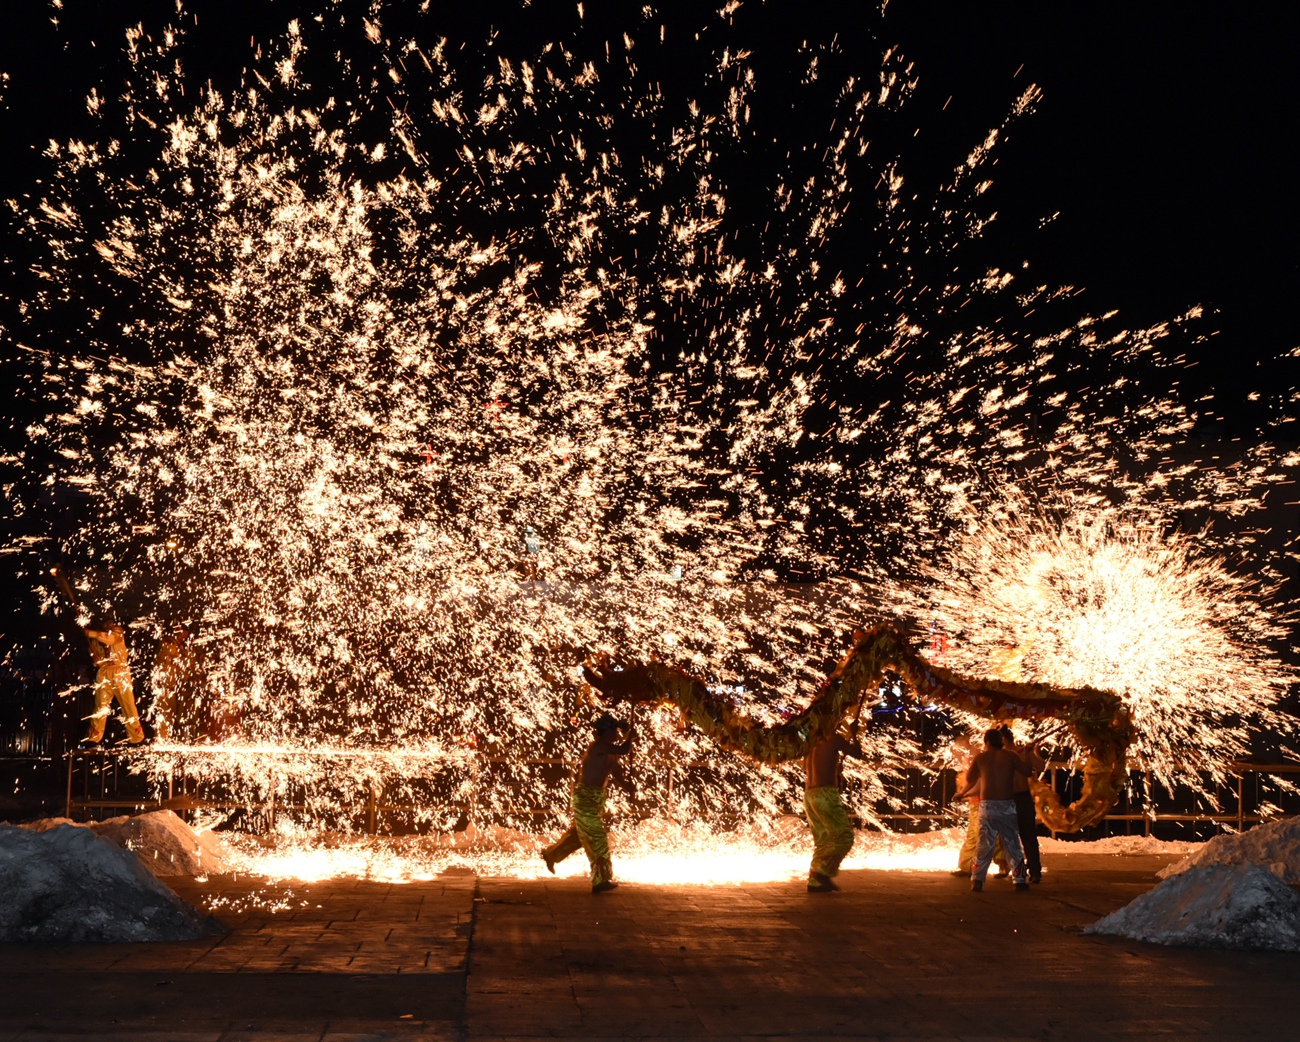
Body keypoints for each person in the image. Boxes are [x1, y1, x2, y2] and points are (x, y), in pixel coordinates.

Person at [541, 713, 634, 893]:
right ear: (604, 732)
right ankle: (600, 880)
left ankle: (551, 854)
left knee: (578, 836)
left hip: (596, 799)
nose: (617, 733)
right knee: (597, 838)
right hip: (585, 799)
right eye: (614, 730)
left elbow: (616, 773)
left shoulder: (609, 752)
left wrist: (628, 786)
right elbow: (624, 749)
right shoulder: (597, 747)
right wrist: (630, 737)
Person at [955, 727, 1035, 892]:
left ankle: (977, 880)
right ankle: (1019, 880)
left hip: (987, 806)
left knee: (984, 844)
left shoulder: (981, 758)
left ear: (987, 742)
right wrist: (1026, 753)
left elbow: (970, 779)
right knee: (1012, 843)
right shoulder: (1012, 756)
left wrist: (961, 793)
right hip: (1006, 805)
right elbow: (1027, 771)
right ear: (1002, 741)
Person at [804, 720, 869, 893]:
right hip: (825, 795)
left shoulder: (811, 741)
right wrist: (854, 733)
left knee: (824, 839)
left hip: (810, 795)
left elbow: (811, 767)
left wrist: (833, 769)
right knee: (843, 837)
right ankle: (822, 873)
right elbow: (858, 753)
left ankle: (815, 881)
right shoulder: (833, 738)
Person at [948, 733, 1010, 879]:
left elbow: (978, 784)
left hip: (987, 802)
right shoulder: (973, 760)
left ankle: (1002, 866)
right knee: (977, 835)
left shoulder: (980, 759)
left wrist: (964, 794)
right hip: (978, 803)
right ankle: (968, 867)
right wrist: (964, 794)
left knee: (991, 835)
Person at [82, 617, 145, 745]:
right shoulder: (95, 640)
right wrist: (96, 658)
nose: (109, 624)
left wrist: (89, 633)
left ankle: (136, 737)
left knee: (127, 704)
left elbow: (109, 639)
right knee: (100, 705)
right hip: (105, 672)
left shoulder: (117, 632)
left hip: (120, 670)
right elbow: (97, 660)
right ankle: (94, 737)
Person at [1001, 726, 1046, 884]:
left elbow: (1041, 767)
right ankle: (1018, 871)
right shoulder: (1001, 756)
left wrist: (1032, 752)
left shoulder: (1023, 752)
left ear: (1004, 740)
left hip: (1022, 798)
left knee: (1028, 837)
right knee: (1011, 838)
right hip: (1007, 799)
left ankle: (1035, 872)